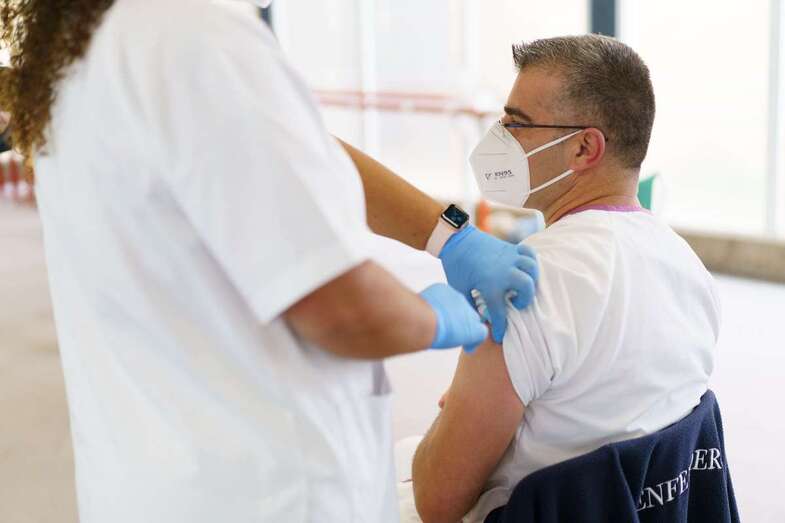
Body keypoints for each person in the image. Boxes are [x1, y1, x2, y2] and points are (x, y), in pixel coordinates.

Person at [0, 0, 539, 522]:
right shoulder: (193, 36)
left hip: (160, 477)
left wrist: (447, 236)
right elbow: (347, 312)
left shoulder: (90, 44)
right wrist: (437, 317)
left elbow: (289, 152)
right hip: (260, 490)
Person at [408, 35, 721, 523]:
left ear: (583, 147)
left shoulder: (523, 282)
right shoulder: (687, 266)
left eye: (517, 124)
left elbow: (437, 500)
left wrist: (452, 416)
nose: (499, 139)